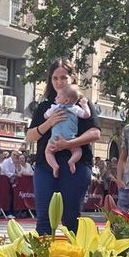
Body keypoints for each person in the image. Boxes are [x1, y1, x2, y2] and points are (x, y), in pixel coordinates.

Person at [26, 58, 100, 234]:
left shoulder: (82, 103)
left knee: (70, 217)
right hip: (46, 165)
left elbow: (95, 133)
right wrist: (49, 122)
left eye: (63, 77)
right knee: (44, 217)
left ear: (72, 78)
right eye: (55, 78)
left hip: (75, 165)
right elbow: (30, 136)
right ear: (50, 80)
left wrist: (68, 144)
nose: (59, 82)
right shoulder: (45, 105)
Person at [42, 84, 91, 177]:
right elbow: (86, 114)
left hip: (55, 137)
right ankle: (72, 161)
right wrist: (84, 105)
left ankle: (54, 166)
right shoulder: (75, 108)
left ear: (66, 100)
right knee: (77, 151)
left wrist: (50, 115)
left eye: (58, 96)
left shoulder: (55, 108)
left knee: (48, 152)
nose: (55, 98)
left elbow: (45, 116)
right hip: (71, 138)